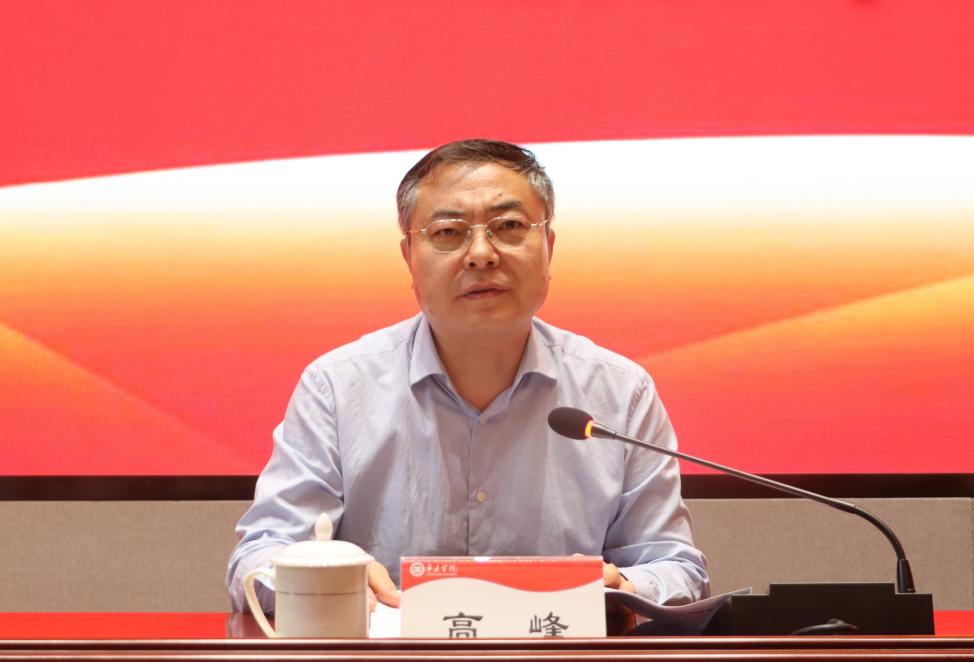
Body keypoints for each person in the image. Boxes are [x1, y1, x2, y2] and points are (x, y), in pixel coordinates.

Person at [227, 139, 709, 612]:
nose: (481, 253)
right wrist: (322, 576)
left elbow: (676, 566)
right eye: (448, 232)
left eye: (509, 226)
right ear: (409, 258)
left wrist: (624, 585)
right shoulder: (336, 389)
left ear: (548, 247)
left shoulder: (620, 393)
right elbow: (256, 560)